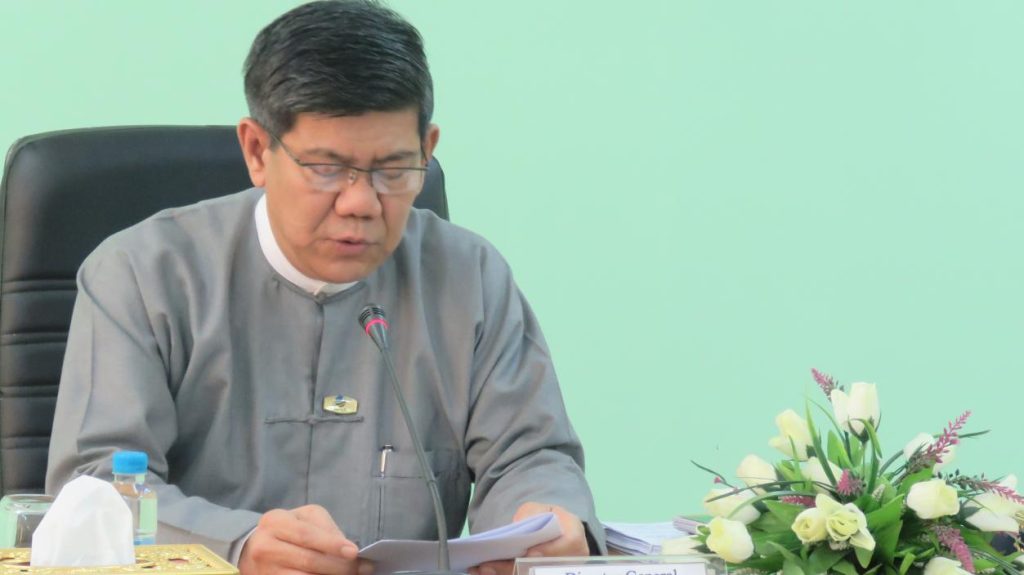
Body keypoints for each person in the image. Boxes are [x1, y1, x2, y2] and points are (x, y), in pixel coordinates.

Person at [44, 1, 604, 574]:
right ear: (257, 152)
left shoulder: (471, 278)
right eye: (326, 168)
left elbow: (531, 457)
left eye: (393, 170)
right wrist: (235, 546)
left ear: (427, 151)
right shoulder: (142, 275)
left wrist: (547, 519)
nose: (361, 203)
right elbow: (95, 489)